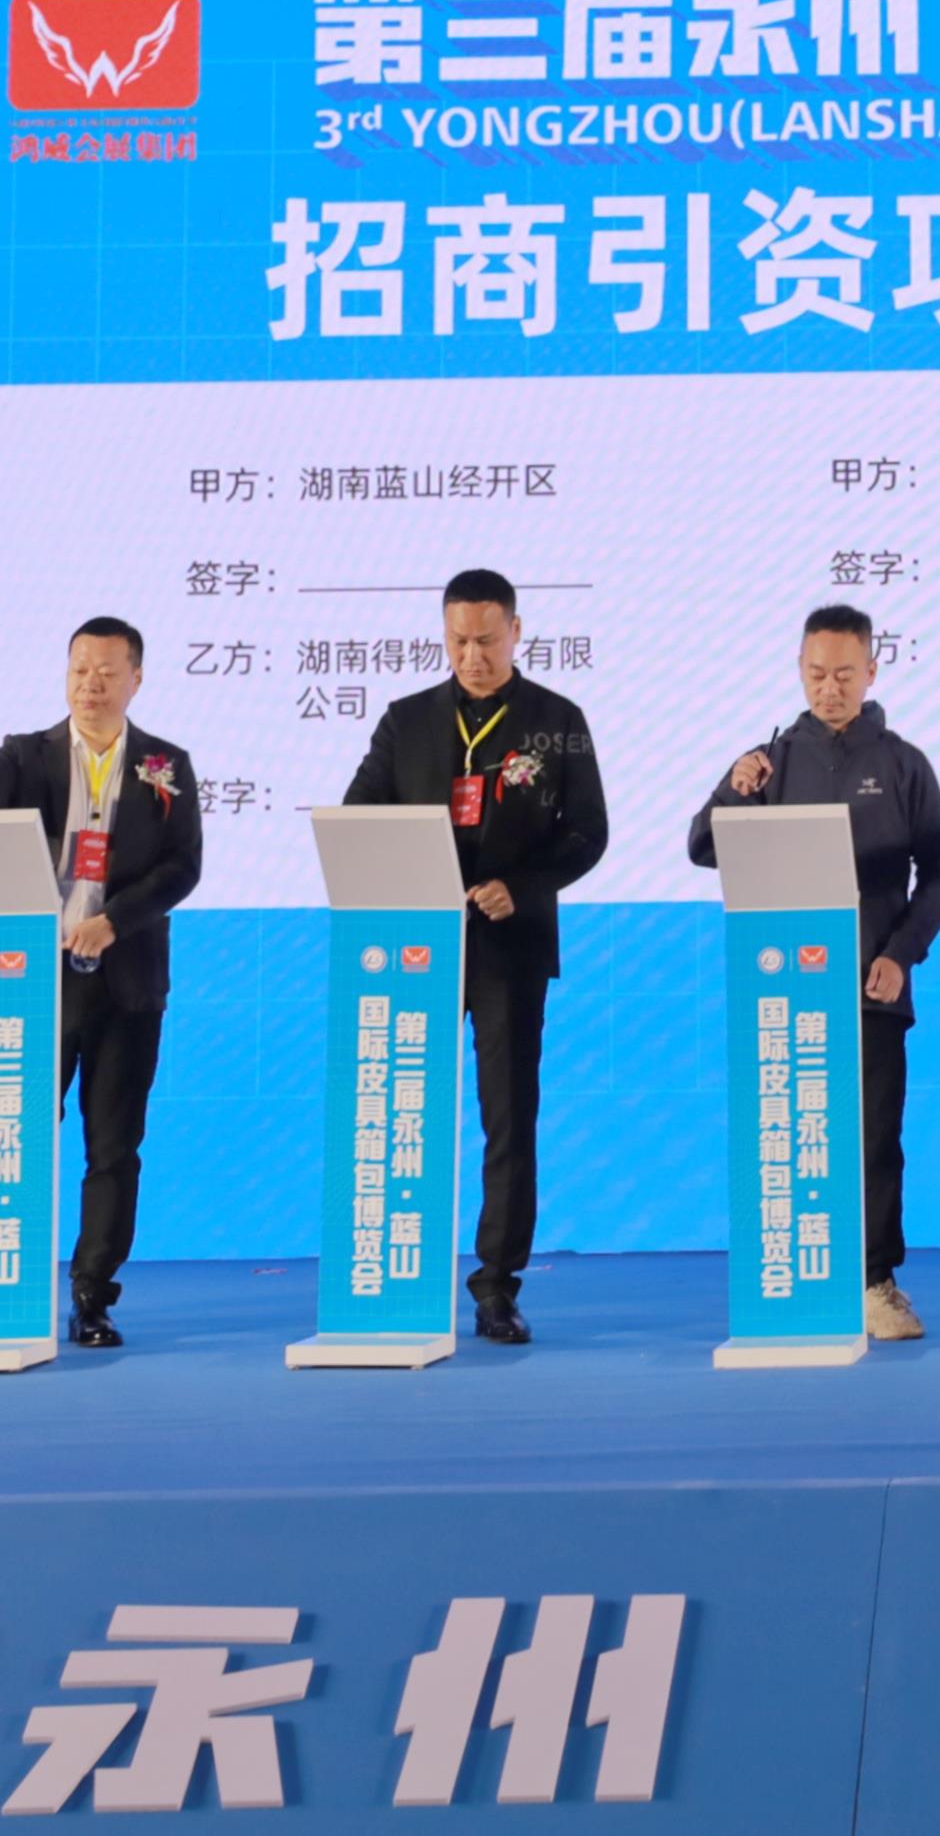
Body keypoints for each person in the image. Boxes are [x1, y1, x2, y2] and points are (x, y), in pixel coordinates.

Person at [346, 568, 608, 1347]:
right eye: (459, 640)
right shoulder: (406, 721)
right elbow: (360, 815)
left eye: (488, 640)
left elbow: (587, 833)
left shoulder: (557, 720)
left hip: (510, 947)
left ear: (516, 632)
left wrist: (519, 888)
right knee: (408, 1111)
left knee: (507, 1116)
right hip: (419, 950)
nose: (473, 655)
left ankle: (497, 1285)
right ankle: (400, 1273)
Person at [687, 603, 940, 1343]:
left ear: (871, 670)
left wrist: (901, 955)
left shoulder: (903, 763)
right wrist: (732, 792)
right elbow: (703, 847)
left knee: (874, 1140)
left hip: (872, 985)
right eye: (816, 674)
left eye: (843, 674)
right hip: (785, 992)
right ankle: (789, 1275)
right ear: (799, 671)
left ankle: (875, 1282)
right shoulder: (768, 761)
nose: (829, 688)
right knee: (788, 1134)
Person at [0, 617, 205, 1351]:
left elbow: (182, 868)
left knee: (113, 1146)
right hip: (34, 986)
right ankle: (5, 1280)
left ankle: (92, 1295)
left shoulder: (166, 764)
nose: (91, 685)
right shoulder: (28, 754)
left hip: (128, 982)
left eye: (108, 672)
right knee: (16, 1133)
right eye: (80, 670)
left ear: (136, 679)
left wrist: (113, 921)